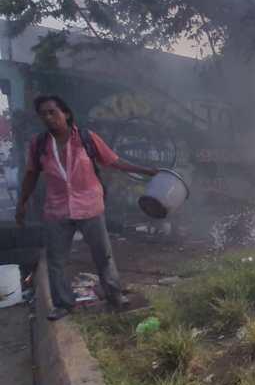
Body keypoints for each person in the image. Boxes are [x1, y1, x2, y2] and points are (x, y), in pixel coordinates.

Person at [15, 95, 159, 320]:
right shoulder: (39, 145)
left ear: (66, 114)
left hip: (90, 207)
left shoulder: (86, 138)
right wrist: (21, 203)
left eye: (52, 112)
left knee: (103, 256)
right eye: (43, 114)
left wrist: (146, 171)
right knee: (56, 260)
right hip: (57, 210)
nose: (48, 117)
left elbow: (114, 161)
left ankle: (115, 296)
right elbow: (31, 175)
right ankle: (63, 304)